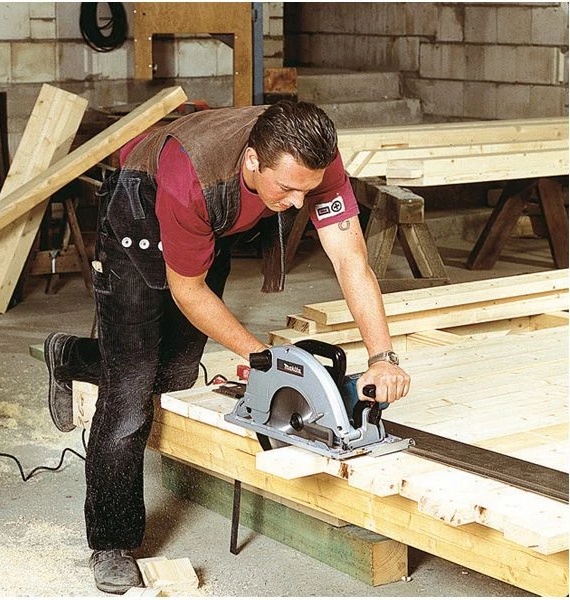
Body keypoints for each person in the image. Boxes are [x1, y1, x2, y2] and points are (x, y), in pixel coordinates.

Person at [44, 100, 411, 594]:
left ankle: (69, 356)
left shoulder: (312, 161)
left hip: (208, 225)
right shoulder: (193, 179)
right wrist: (263, 358)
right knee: (129, 391)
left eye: (307, 190)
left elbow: (350, 260)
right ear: (253, 162)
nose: (299, 204)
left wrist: (382, 356)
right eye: (287, 190)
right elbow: (189, 291)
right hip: (140, 210)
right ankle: (112, 541)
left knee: (174, 376)